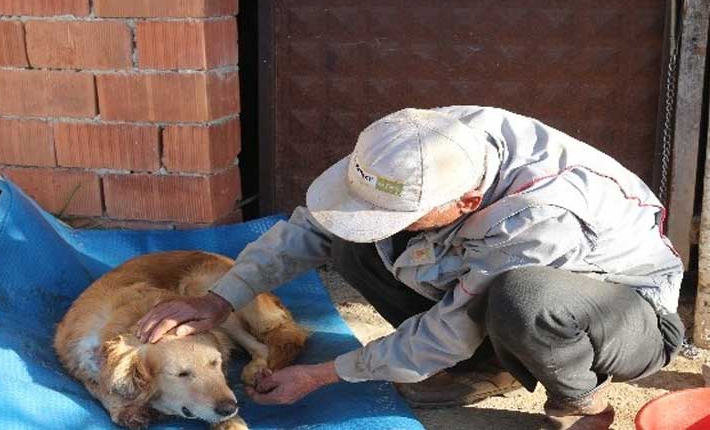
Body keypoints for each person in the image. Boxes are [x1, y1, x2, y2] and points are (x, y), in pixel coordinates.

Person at [137, 106, 684, 430]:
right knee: (353, 237)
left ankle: (580, 400)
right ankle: (491, 367)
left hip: (623, 313)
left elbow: (450, 325)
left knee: (525, 299)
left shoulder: (542, 219)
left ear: (466, 202)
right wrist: (220, 299)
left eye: (401, 214)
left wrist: (327, 373)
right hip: (496, 279)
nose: (381, 219)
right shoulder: (409, 144)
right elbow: (312, 228)